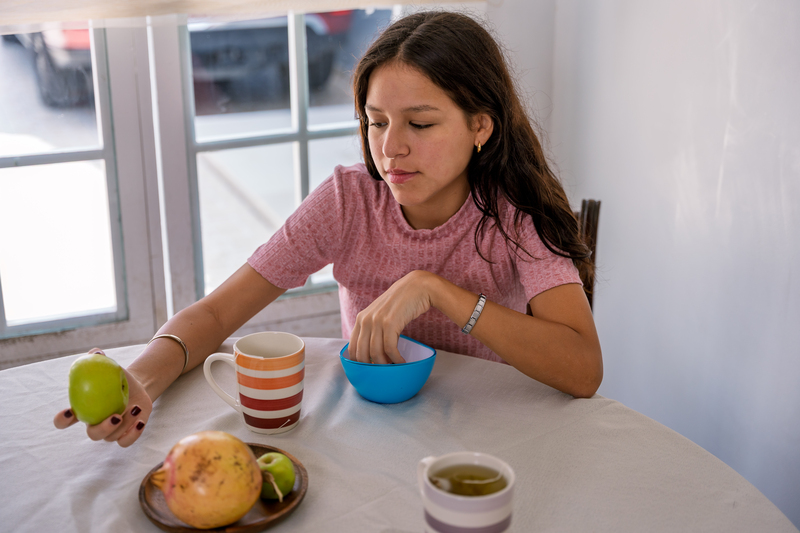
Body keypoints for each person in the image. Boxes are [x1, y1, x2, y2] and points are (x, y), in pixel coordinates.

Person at [54, 10, 602, 447]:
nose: (391, 148)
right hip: (367, 435)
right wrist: (142, 381)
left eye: (420, 123)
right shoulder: (348, 200)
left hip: (488, 438)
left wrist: (437, 291)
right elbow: (220, 312)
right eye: (376, 122)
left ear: (480, 125)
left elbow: (583, 370)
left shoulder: (512, 213)